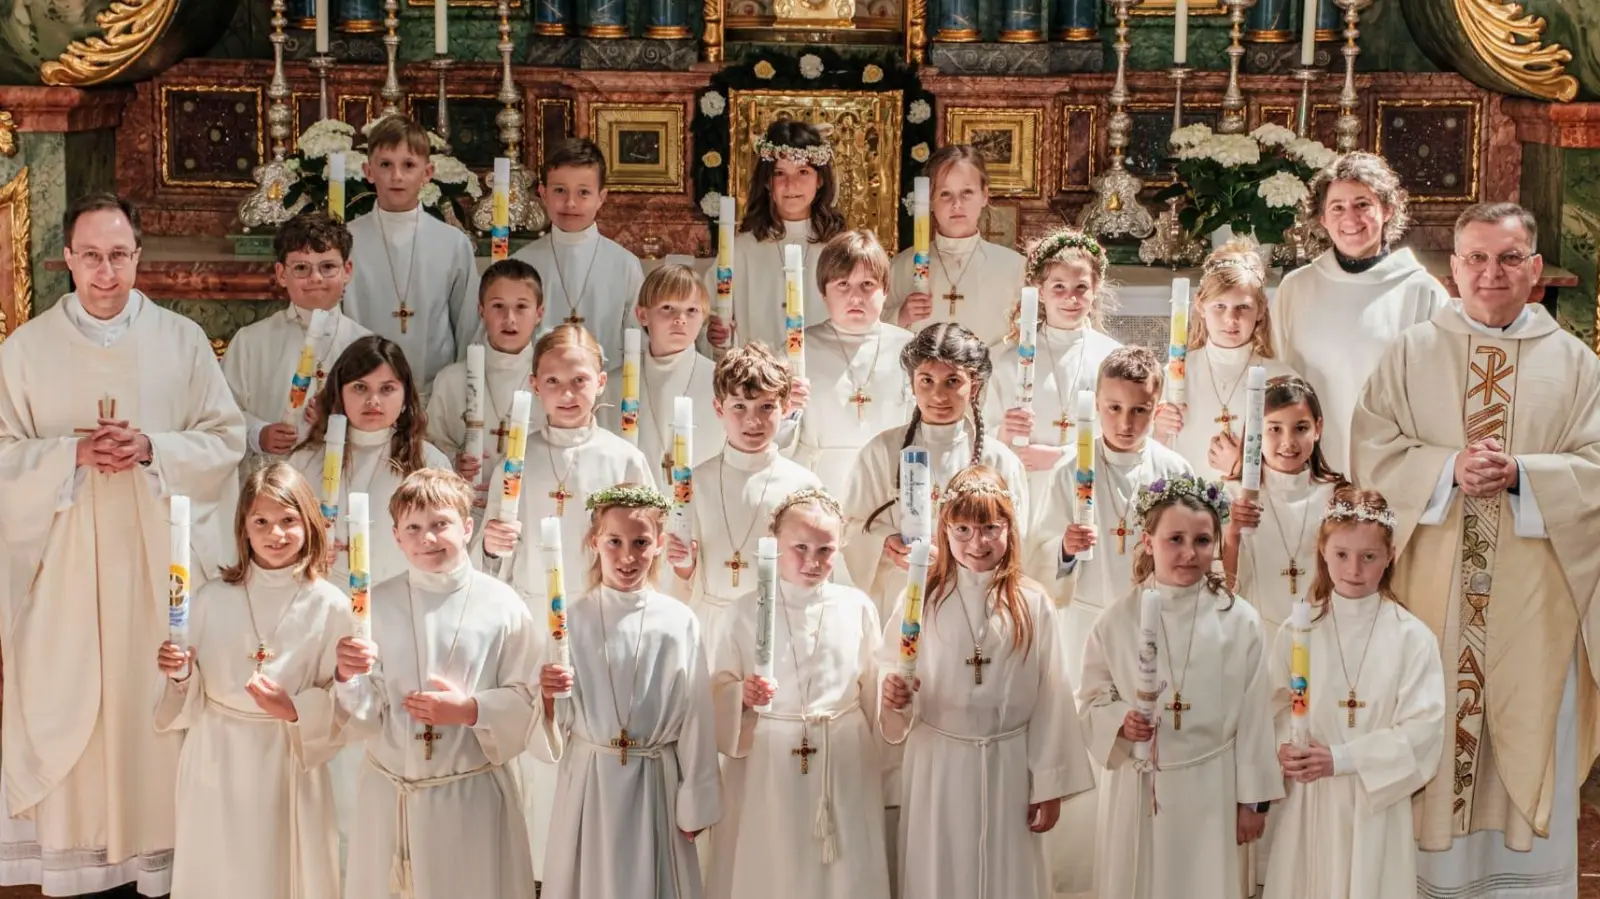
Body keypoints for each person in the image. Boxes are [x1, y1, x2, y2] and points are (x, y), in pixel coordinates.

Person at [1351, 202, 1600, 899]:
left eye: (1509, 258)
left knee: (1525, 720)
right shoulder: (1411, 352)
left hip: (1535, 606)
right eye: (1477, 259)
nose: (1492, 273)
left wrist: (1526, 475)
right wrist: (1444, 469)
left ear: (1536, 270)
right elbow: (1370, 447)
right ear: (1453, 269)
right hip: (1432, 594)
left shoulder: (1577, 365)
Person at [0, 193, 246, 896]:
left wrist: (152, 447)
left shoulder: (182, 341)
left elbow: (226, 439)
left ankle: (162, 862)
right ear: (67, 260)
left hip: (154, 566)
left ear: (138, 257)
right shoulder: (24, 352)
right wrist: (68, 456)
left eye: (118, 255)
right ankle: (78, 859)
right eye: (91, 256)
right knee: (71, 700)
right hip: (64, 571)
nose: (105, 272)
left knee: (151, 703)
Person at [880, 465, 1093, 899]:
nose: (977, 543)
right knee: (940, 871)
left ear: (1009, 530)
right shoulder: (920, 600)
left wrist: (1048, 785)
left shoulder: (1033, 603)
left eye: (990, 528)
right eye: (962, 529)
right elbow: (893, 674)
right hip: (939, 762)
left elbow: (1052, 697)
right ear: (944, 530)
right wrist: (895, 695)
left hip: (1008, 764)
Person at [329, 469, 541, 899]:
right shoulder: (373, 606)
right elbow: (368, 712)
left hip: (470, 793)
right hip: (392, 796)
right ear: (396, 537)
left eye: (440, 524)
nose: (428, 538)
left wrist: (470, 710)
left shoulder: (502, 605)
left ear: (467, 527)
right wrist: (347, 677)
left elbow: (529, 698)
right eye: (414, 528)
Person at [1027, 345, 1191, 897]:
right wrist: (1065, 550)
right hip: (1084, 631)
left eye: (1139, 411)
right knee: (1086, 746)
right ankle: (1076, 881)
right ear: (1096, 405)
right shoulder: (1071, 471)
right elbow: (1036, 552)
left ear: (1157, 406)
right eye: (1114, 409)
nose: (1125, 422)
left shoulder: (1174, 472)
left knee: (1142, 749)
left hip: (1153, 636)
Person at [1078, 475, 1281, 899]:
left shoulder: (1239, 620)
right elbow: (1093, 698)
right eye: (1175, 539)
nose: (1190, 553)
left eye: (1203, 540)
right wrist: (1120, 722)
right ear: (1148, 540)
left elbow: (1256, 716)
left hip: (1214, 787)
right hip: (1141, 789)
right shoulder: (1117, 620)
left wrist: (1252, 802)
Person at [155, 462, 348, 899]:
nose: (274, 533)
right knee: (219, 873)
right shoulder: (209, 597)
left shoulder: (330, 604)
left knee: (277, 874)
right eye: (260, 521)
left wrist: (296, 709)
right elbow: (185, 698)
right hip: (215, 757)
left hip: (286, 759)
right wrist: (180, 673)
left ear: (309, 523)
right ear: (243, 527)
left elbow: (346, 698)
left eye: (287, 520)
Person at [534, 483, 721, 899]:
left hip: (655, 780)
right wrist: (548, 695)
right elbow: (555, 725)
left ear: (658, 546)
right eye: (614, 542)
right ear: (593, 541)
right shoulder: (571, 621)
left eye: (641, 542)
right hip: (590, 782)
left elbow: (697, 717)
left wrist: (695, 800)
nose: (627, 556)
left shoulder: (678, 621)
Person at [706, 488, 889, 899]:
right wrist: (743, 697)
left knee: (842, 867)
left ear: (840, 548)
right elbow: (717, 688)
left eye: (825, 550)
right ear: (773, 545)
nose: (813, 561)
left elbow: (873, 688)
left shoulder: (856, 607)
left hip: (842, 758)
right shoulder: (742, 612)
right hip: (766, 762)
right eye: (800, 547)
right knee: (773, 866)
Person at [1262, 487, 1445, 899]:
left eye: (1369, 556)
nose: (1354, 569)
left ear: (1390, 555)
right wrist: (1283, 748)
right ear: (1323, 550)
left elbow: (1423, 731)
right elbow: (1271, 707)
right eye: (1342, 554)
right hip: (1311, 801)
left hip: (1374, 804)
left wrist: (1342, 759)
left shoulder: (1412, 638)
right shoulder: (1298, 631)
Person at [1269, 152, 1448, 472]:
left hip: (1392, 465)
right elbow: (1276, 376)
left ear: (1387, 209)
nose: (1349, 218)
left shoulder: (1422, 291)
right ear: (1322, 218)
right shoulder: (1296, 288)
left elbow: (1439, 395)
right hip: (1311, 464)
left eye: (1363, 204)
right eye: (1337, 207)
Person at [843, 322, 1028, 614]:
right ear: (912, 382)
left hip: (974, 602)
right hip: (897, 597)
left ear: (974, 385)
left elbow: (1018, 542)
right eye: (926, 380)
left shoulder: (999, 462)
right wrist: (885, 543)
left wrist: (962, 554)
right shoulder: (881, 452)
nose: (938, 396)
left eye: (952, 381)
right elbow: (851, 527)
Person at [667, 342, 822, 652]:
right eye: (739, 407)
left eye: (766, 407)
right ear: (718, 408)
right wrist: (684, 566)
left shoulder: (803, 485)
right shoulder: (694, 483)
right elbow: (678, 576)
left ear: (785, 406)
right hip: (710, 625)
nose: (753, 421)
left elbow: (814, 570)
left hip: (775, 627)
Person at [288, 335, 451, 589]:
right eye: (360, 387)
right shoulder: (304, 461)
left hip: (401, 598)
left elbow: (447, 547)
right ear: (339, 392)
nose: (373, 401)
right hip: (323, 597)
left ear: (406, 394)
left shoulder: (429, 463)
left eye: (387, 389)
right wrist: (303, 551)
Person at [223, 211, 371, 469]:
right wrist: (258, 433)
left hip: (344, 476)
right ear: (281, 273)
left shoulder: (366, 345)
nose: (315, 278)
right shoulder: (251, 341)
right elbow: (221, 413)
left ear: (347, 270)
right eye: (301, 268)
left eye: (328, 267)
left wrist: (339, 423)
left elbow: (384, 421)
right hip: (273, 480)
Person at [343, 115, 481, 390]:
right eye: (385, 165)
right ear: (368, 172)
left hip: (433, 393)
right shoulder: (347, 240)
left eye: (408, 165)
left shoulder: (453, 244)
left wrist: (457, 392)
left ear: (427, 173)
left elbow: (468, 327)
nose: (396, 176)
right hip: (362, 393)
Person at [988, 227, 1123, 505]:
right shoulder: (1010, 362)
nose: (1070, 299)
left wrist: (1061, 456)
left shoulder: (1111, 358)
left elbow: (1123, 435)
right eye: (1058, 287)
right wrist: (1004, 432)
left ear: (1095, 288)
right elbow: (984, 436)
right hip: (1028, 494)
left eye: (1081, 288)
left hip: (1090, 493)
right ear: (1039, 291)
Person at [1157, 241, 1296, 481]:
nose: (1231, 319)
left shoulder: (1281, 378)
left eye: (1243, 307)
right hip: (1187, 507)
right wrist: (1158, 430)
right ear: (1200, 306)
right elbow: (1149, 456)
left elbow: (1295, 461)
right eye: (1219, 306)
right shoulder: (1174, 374)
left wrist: (1240, 466)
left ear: (1261, 310)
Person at [704, 120, 845, 356]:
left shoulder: (838, 249)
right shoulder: (741, 250)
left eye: (803, 172)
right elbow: (702, 312)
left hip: (820, 374)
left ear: (820, 180)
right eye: (780, 173)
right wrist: (715, 334)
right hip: (758, 377)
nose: (791, 184)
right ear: (768, 182)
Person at [794, 229, 915, 499]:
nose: (856, 297)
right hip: (818, 486)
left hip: (888, 486)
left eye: (868, 285)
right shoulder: (799, 350)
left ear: (885, 290)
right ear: (823, 292)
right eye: (843, 285)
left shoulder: (910, 349)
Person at [426, 258, 546, 525]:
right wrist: (453, 462)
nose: (509, 319)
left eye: (521, 307)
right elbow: (430, 444)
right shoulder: (452, 380)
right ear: (481, 311)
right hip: (466, 512)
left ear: (539, 313)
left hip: (530, 511)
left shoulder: (550, 381)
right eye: (498, 306)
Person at [511, 137, 646, 367]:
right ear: (543, 194)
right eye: (560, 190)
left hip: (608, 393)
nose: (570, 203)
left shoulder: (624, 265)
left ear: (601, 198)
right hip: (538, 393)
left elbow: (641, 342)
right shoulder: (521, 264)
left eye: (583, 192)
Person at [1224, 377, 1344, 631]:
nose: (1288, 442)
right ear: (1256, 431)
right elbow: (1220, 586)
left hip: (1320, 631)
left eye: (1301, 428)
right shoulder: (1233, 495)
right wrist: (1232, 534)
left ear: (1318, 428)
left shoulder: (1335, 494)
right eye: (1274, 429)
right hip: (1255, 633)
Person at [884, 145, 1027, 346]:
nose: (956, 204)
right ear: (930, 200)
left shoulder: (1015, 268)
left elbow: (1026, 337)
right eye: (945, 194)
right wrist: (899, 316)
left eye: (967, 192)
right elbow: (873, 332)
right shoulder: (900, 267)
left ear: (984, 195)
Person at [595, 264, 724, 484]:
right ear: (642, 314)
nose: (680, 318)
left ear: (703, 316)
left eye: (691, 310)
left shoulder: (722, 383)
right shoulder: (613, 387)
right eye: (667, 308)